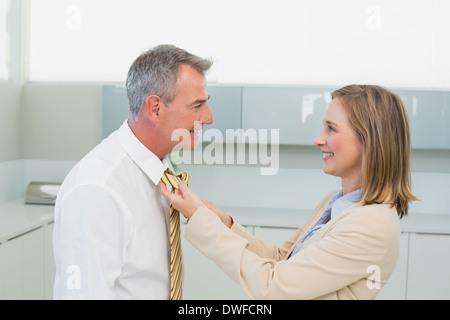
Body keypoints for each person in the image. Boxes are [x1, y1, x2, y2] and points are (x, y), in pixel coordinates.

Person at [160, 84, 418, 300]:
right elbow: (282, 259)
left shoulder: (371, 226)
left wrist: (200, 220)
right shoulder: (336, 202)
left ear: (368, 140)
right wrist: (223, 223)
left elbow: (275, 285)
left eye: (331, 128)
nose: (318, 139)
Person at [53, 44, 213, 299]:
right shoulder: (97, 191)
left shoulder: (161, 169)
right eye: (197, 106)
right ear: (155, 109)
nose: (208, 117)